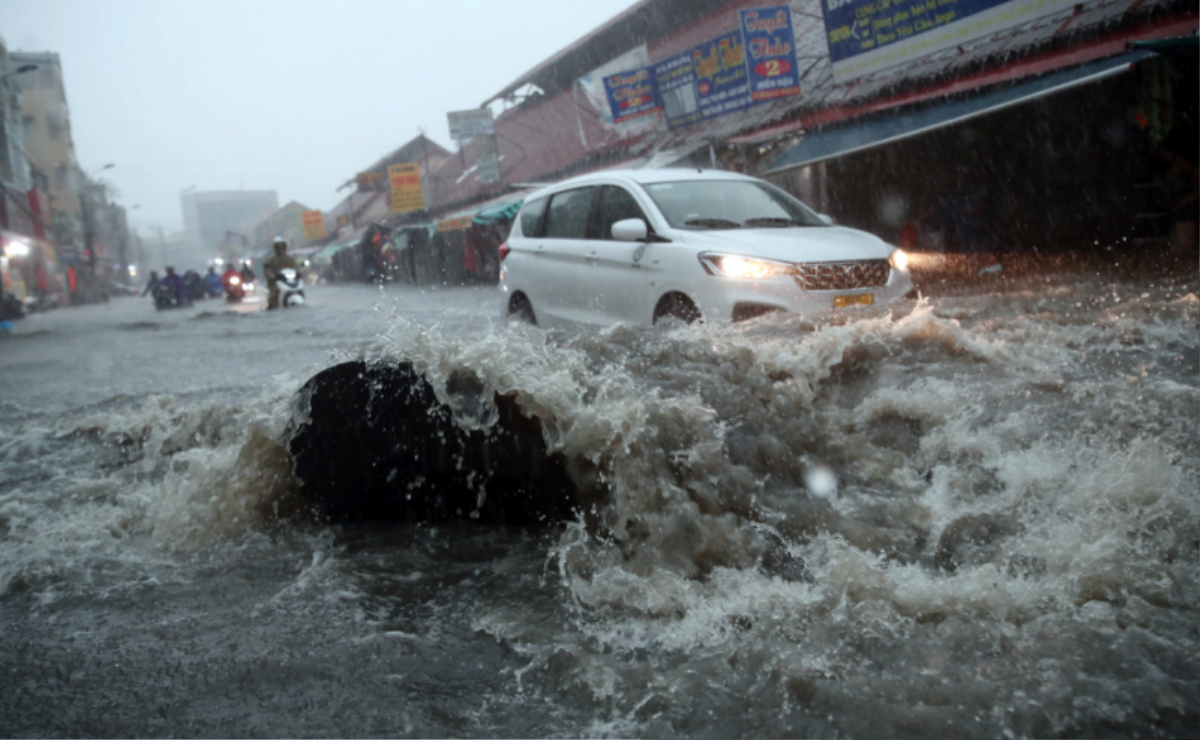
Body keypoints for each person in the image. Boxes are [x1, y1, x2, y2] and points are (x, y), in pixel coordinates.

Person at [263, 236, 297, 309]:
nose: (281, 249)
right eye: (279, 247)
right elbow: (268, 271)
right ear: (275, 248)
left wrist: (299, 273)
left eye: (283, 247)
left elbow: (295, 269)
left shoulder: (290, 259)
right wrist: (272, 275)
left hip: (289, 282)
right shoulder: (271, 260)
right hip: (275, 284)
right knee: (273, 296)